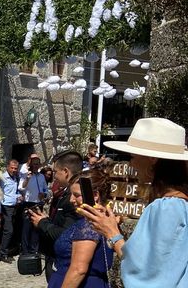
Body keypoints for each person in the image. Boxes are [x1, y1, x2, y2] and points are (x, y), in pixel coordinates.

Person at [79, 117, 188, 287]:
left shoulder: (167, 207)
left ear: (152, 159)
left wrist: (111, 233)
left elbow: (147, 273)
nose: (132, 163)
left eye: (133, 156)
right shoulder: (179, 203)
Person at [48, 166, 113, 288]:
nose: (71, 200)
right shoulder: (105, 221)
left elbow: (78, 269)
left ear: (94, 195)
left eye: (76, 195)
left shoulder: (88, 225)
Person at [29, 150, 83, 281]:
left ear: (65, 171)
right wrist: (46, 219)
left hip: (63, 262)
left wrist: (43, 223)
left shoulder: (74, 199)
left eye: (55, 172)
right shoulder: (64, 192)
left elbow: (67, 233)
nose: (54, 176)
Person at [20, 155, 48, 254]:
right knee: (26, 229)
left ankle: (34, 250)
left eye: (37, 164)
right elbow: (21, 188)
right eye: (34, 164)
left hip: (38, 204)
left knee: (36, 229)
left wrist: (44, 194)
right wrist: (27, 179)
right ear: (31, 164)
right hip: (28, 204)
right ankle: (25, 251)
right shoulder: (26, 175)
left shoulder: (41, 176)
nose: (35, 166)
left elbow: (46, 190)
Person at [0, 159, 21, 263]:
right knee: (9, 230)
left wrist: (19, 196)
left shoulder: (16, 178)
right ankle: (2, 253)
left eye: (15, 168)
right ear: (7, 167)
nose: (13, 170)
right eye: (12, 168)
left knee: (12, 230)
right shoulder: (3, 178)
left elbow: (13, 192)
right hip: (5, 207)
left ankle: (7, 251)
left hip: (14, 206)